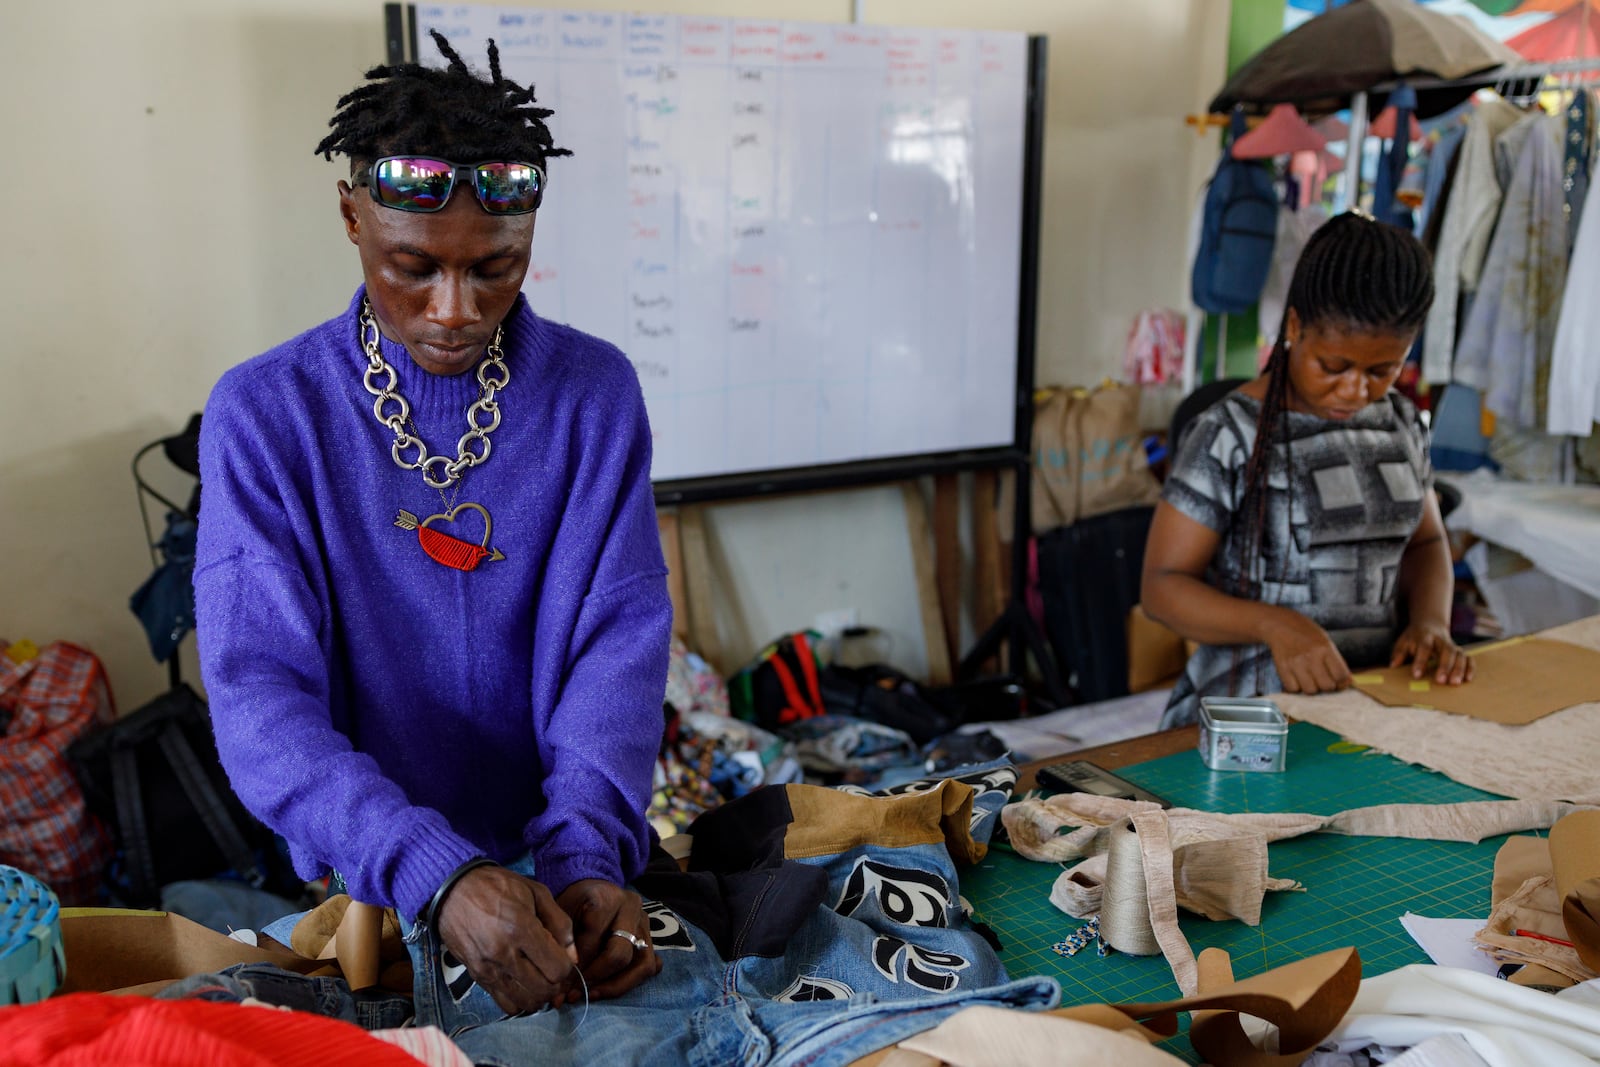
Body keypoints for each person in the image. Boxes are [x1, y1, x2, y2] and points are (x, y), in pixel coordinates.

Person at [193, 32, 671, 1018]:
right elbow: (257, 692)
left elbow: (614, 645)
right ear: (350, 217)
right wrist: (432, 868)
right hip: (369, 867)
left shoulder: (593, 394)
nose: (454, 310)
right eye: (412, 267)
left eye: (496, 268)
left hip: (553, 851)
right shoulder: (267, 412)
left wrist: (586, 848)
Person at [1143, 212, 1474, 729]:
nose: (1356, 391)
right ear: (1295, 327)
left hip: (1374, 703)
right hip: (1249, 716)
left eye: (1381, 370)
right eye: (1334, 366)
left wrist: (1431, 623)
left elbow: (1426, 544)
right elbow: (1162, 588)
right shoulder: (1231, 434)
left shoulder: (1402, 423)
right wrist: (1277, 625)